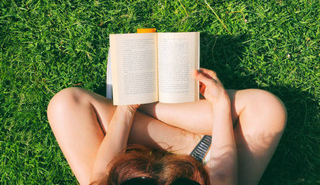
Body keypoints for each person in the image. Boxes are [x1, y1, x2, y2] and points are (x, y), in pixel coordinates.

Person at [47, 68, 287, 185]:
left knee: (66, 104)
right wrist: (220, 105)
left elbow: (102, 175)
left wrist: (128, 109)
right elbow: (222, 177)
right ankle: (193, 141)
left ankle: (145, 104)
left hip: (130, 154)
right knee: (267, 109)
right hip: (207, 166)